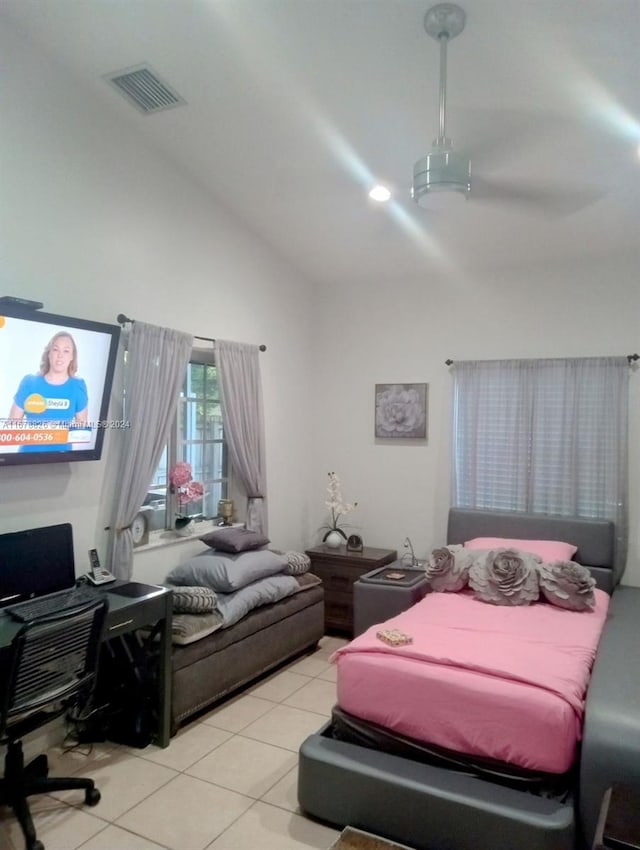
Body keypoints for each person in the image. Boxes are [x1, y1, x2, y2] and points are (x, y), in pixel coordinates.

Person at [8, 331, 88, 451]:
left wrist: (58, 432)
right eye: (56, 349)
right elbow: (13, 424)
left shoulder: (78, 386)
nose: (60, 355)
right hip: (27, 459)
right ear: (49, 353)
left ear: (72, 357)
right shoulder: (29, 382)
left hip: (61, 459)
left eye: (66, 351)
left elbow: (82, 428)